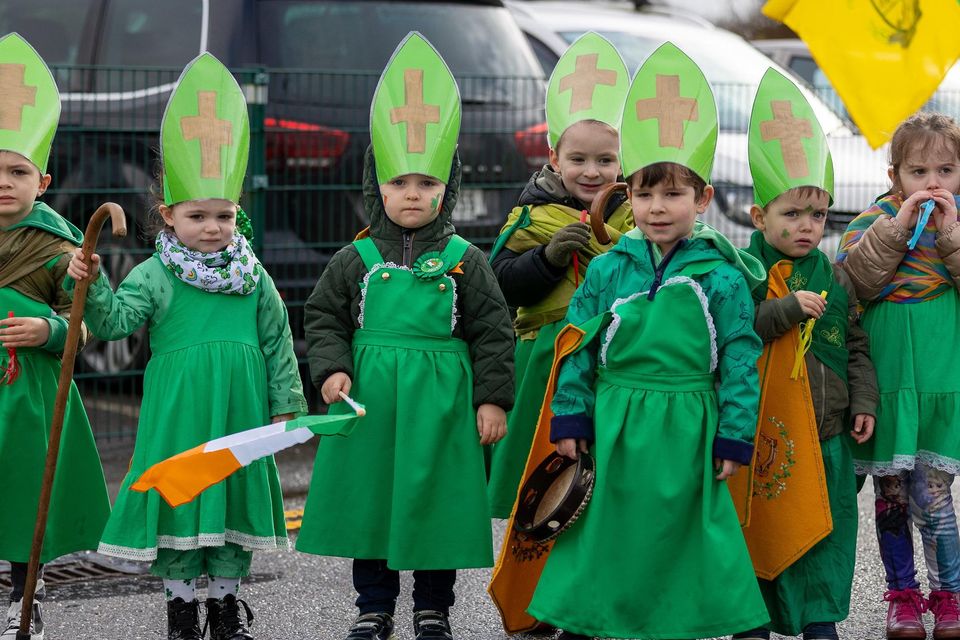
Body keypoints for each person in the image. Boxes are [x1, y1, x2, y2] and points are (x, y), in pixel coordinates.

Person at [523, 42, 769, 640]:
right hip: (616, 421)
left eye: (673, 194)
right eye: (643, 194)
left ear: (703, 199)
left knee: (694, 529)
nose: (656, 208)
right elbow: (577, 345)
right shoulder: (610, 268)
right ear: (626, 196)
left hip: (690, 422)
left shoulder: (722, 274)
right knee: (608, 526)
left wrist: (735, 433)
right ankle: (592, 620)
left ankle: (715, 620)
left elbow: (739, 356)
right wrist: (571, 417)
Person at [66, 53, 306, 640]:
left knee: (229, 506)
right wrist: (92, 284)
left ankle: (224, 609)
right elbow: (117, 322)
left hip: (239, 411)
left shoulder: (253, 276)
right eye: (197, 215)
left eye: (224, 215)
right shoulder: (155, 274)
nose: (213, 227)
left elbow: (276, 339)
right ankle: (181, 611)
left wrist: (288, 404)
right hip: (178, 415)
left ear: (237, 214)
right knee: (179, 501)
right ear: (168, 216)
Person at [297, 33, 515, 640]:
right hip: (372, 406)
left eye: (426, 182)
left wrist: (492, 398)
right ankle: (373, 605)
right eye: (398, 183)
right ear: (377, 187)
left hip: (441, 409)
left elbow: (495, 331)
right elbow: (325, 317)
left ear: (448, 187)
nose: (412, 194)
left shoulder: (467, 260)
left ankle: (433, 607)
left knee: (435, 506)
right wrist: (331, 369)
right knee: (372, 505)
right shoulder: (354, 257)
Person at [731, 68, 878, 640]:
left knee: (827, 535)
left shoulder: (837, 279)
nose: (806, 226)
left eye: (816, 215)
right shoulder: (741, 272)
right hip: (766, 439)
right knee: (761, 533)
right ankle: (755, 625)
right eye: (791, 214)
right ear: (758, 216)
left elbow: (856, 347)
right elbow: (737, 334)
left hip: (827, 439)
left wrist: (864, 400)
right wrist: (786, 309)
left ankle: (821, 625)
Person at [486, 31, 633, 519]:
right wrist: (547, 258)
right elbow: (501, 282)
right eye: (578, 160)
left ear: (622, 162)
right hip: (547, 358)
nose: (592, 172)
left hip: (617, 357)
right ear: (554, 159)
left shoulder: (636, 218)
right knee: (546, 473)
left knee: (607, 476)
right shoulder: (531, 217)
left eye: (605, 160)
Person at [0, 32, 110, 640]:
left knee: (22, 503)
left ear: (42, 182)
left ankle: (27, 600)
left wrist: (48, 328)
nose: (3, 182)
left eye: (17, 172)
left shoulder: (60, 247)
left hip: (30, 398)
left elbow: (82, 322)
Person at [837, 111, 960, 640]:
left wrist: (948, 233)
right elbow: (854, 281)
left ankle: (950, 596)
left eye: (947, 170)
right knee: (889, 496)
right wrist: (899, 228)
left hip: (939, 380)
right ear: (894, 177)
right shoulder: (873, 222)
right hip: (888, 384)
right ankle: (902, 597)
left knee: (932, 496)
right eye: (918, 172)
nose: (933, 183)